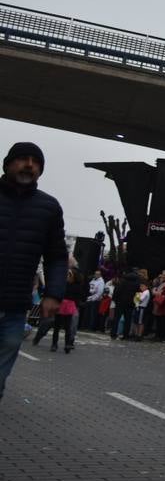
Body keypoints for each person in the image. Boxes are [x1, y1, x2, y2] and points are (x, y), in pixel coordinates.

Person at [0, 142, 67, 401]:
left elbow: (57, 257)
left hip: (15, 306)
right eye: (23, 159)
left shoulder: (48, 208)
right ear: (7, 164)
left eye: (35, 162)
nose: (29, 165)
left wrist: (54, 294)